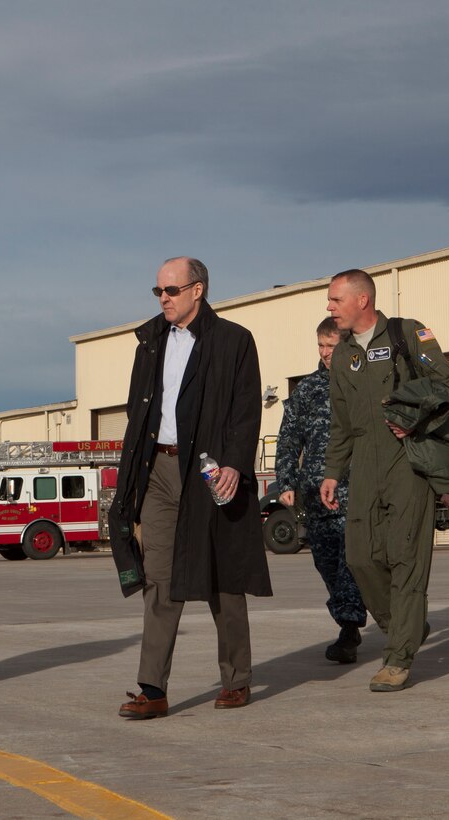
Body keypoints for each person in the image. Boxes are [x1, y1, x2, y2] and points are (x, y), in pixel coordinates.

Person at [109, 256, 273, 719]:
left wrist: (236, 466)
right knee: (158, 579)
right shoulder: (150, 342)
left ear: (197, 290)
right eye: (158, 291)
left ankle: (237, 679)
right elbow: (137, 412)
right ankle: (152, 688)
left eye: (171, 291)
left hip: (209, 472)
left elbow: (246, 412)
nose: (163, 298)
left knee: (223, 576)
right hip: (158, 471)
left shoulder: (234, 341)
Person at [320, 269, 449, 693]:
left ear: (362, 300)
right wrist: (331, 472)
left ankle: (398, 658)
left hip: (407, 460)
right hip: (363, 463)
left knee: (405, 559)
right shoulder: (342, 355)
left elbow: (448, 385)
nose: (329, 308)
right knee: (360, 557)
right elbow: (341, 423)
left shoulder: (408, 334)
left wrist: (411, 419)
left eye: (335, 300)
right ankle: (405, 625)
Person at [275, 317, 367, 663]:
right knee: (327, 562)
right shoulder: (308, 388)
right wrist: (286, 481)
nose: (326, 353)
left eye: (332, 346)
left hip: (357, 489)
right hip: (316, 493)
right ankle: (350, 617)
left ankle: (350, 627)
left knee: (353, 562)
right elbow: (288, 437)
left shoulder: (362, 381)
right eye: (321, 346)